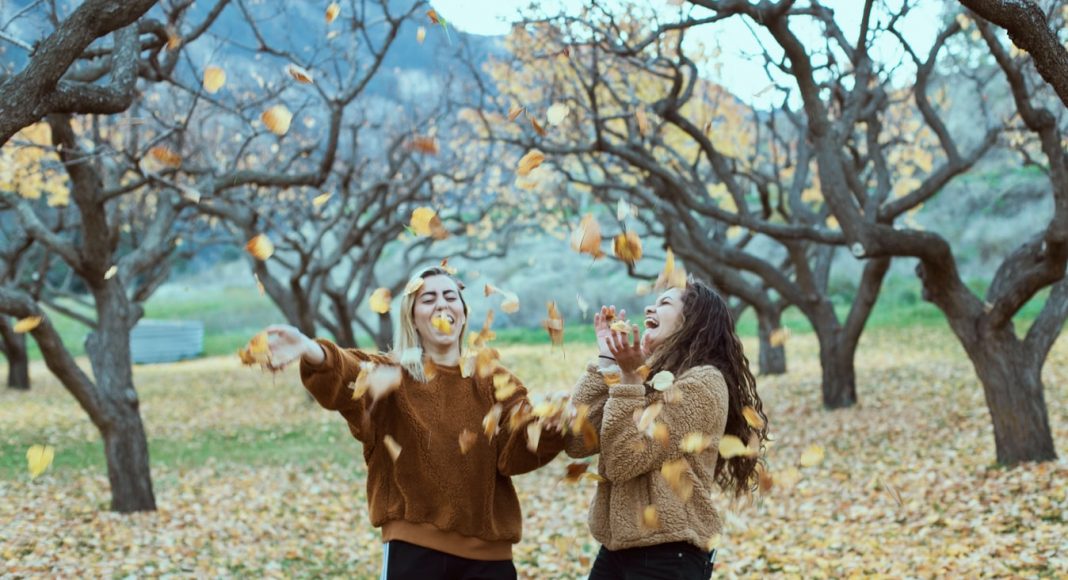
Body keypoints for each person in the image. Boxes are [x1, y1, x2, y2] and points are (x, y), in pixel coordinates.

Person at [260, 265, 564, 580]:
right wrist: (311, 350)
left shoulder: (494, 380)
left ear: (462, 312)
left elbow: (517, 449)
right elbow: (349, 374)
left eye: (450, 297)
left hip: (489, 557)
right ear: (412, 316)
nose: (442, 305)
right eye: (428, 299)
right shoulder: (392, 376)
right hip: (413, 549)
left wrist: (552, 425)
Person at [566, 277, 769, 580]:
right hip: (618, 547)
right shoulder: (646, 377)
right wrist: (607, 363)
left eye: (665, 303)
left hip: (668, 553)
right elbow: (577, 441)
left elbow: (623, 459)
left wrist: (630, 380)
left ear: (692, 321)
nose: (650, 306)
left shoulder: (704, 384)